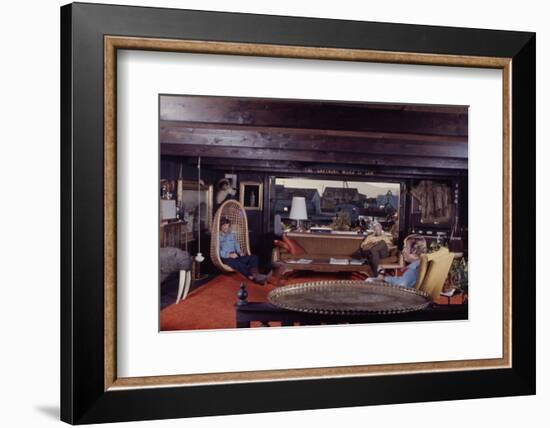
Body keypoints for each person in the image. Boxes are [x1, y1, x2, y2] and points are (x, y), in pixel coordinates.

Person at [219, 217, 267, 285]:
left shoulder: (231, 235)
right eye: (224, 225)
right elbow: (218, 252)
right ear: (220, 226)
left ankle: (255, 274)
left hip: (236, 255)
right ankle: (251, 276)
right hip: (226, 258)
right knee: (238, 263)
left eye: (227, 225)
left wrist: (239, 251)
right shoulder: (218, 237)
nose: (226, 227)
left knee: (254, 257)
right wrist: (229, 255)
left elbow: (236, 244)